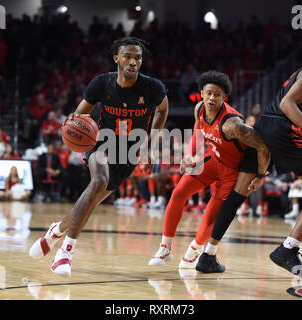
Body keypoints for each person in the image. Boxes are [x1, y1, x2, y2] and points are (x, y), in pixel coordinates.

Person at [29, 37, 169, 277]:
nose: (133, 61)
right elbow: (79, 115)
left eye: (138, 57)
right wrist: (72, 127)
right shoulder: (101, 84)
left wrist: (149, 145)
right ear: (116, 58)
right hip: (100, 142)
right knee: (98, 181)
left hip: (128, 151)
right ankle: (66, 252)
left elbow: (163, 109)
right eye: (127, 56)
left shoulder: (152, 87)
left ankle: (56, 230)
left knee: (92, 199)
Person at [148, 71, 270, 270]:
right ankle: (165, 247)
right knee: (178, 193)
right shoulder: (199, 109)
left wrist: (261, 175)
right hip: (212, 160)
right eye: (209, 93)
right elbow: (198, 131)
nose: (212, 97)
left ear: (224, 97)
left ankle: (194, 251)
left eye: (218, 94)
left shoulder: (233, 124)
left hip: (232, 171)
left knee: (212, 214)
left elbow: (262, 146)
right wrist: (189, 154)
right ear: (202, 93)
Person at [197, 67, 302, 276]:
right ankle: (289, 247)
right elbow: (287, 104)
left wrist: (262, 174)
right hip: (284, 131)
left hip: (265, 129)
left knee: (237, 196)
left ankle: (208, 255)